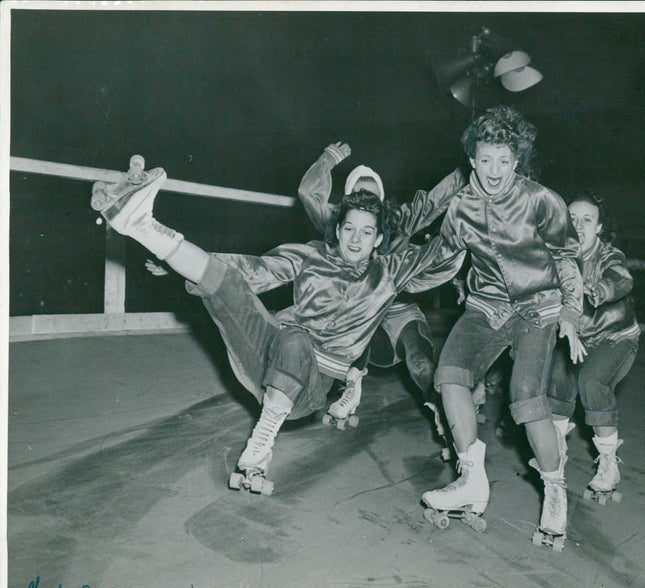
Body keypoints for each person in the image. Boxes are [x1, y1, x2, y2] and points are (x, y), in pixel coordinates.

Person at [91, 159, 464, 494]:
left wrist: (479, 192)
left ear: (379, 239)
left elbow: (445, 251)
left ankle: (262, 440)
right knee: (232, 284)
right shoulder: (311, 255)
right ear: (337, 230)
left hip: (310, 386)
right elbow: (252, 268)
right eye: (349, 229)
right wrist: (177, 264)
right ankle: (140, 225)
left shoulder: (390, 272)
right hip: (267, 356)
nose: (356, 240)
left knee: (295, 339)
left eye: (367, 233)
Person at [421, 106, 585, 545]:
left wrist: (571, 313)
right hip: (487, 306)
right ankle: (471, 477)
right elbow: (440, 260)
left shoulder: (540, 199)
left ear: (517, 160)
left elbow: (568, 259)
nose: (494, 171)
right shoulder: (459, 207)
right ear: (472, 159)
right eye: (486, 159)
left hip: (540, 307)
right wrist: (387, 280)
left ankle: (555, 490)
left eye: (504, 160)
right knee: (450, 374)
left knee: (525, 397)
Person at [297, 141, 467, 426]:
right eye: (361, 198)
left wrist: (469, 167)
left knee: (421, 364)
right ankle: (352, 381)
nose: (369, 207)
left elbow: (436, 200)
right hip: (354, 318)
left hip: (397, 312)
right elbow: (308, 194)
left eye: (374, 200)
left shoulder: (398, 221)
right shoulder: (339, 226)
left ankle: (445, 412)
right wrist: (327, 159)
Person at [548, 194, 640, 503]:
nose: (578, 225)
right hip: (576, 337)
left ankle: (609, 464)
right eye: (572, 218)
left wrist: (600, 289)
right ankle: (555, 454)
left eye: (586, 219)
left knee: (591, 381)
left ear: (598, 228)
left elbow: (621, 277)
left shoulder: (609, 255)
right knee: (556, 382)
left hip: (615, 337)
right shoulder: (555, 256)